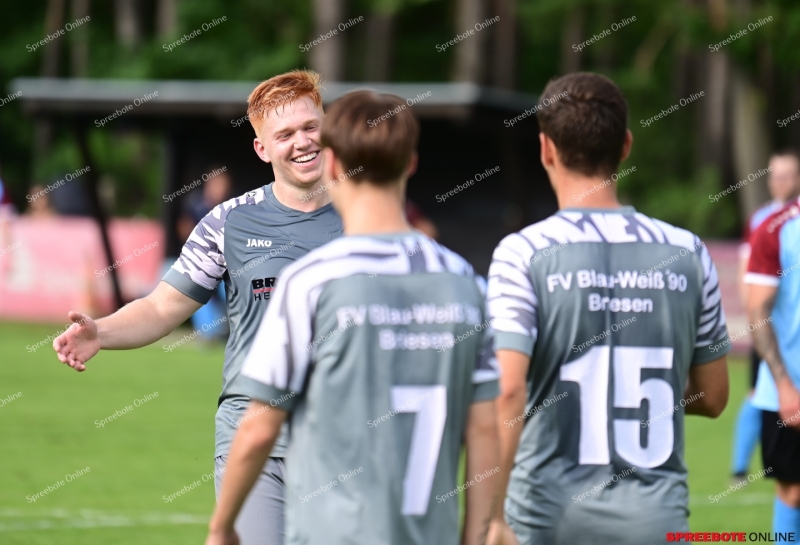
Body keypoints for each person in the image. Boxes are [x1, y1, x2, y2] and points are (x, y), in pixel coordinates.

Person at [53, 69, 342, 545]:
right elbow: (164, 306)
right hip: (254, 440)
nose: (302, 142)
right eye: (284, 134)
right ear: (262, 149)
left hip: (344, 442)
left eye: (311, 127)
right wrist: (100, 331)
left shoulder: (368, 217)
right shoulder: (228, 221)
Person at [206, 91, 500, 545]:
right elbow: (485, 426)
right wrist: (479, 534)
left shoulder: (312, 281)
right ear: (412, 164)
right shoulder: (464, 280)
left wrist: (222, 526)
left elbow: (261, 424)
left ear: (334, 164)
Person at [485, 72, 730, 545]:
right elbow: (714, 395)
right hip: (655, 523)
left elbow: (508, 392)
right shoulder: (687, 252)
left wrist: (492, 517)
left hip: (546, 521)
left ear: (545, 150)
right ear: (626, 146)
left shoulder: (523, 252)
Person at [732, 151, 800, 482]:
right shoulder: (763, 223)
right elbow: (750, 280)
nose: (781, 181)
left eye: (788, 175)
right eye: (776, 175)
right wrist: (755, 324)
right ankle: (739, 465)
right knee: (758, 394)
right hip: (773, 336)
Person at [746, 193, 800, 543]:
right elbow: (757, 312)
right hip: (788, 390)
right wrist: (784, 386)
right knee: (793, 492)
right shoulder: (775, 229)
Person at [177, 166, 234, 341]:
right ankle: (209, 332)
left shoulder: (230, 206)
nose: (220, 188)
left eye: (223, 185)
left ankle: (233, 329)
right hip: (201, 260)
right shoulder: (195, 203)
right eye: (217, 184)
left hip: (227, 262)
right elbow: (183, 227)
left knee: (231, 291)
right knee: (199, 292)